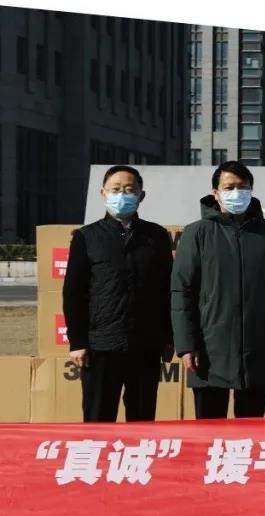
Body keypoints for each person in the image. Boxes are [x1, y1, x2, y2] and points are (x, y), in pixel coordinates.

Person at [171, 161, 265, 419]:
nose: (236, 193)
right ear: (215, 193)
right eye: (229, 187)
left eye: (243, 187)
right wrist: (186, 345)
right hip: (209, 348)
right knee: (209, 430)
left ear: (251, 190)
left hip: (257, 344)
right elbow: (182, 292)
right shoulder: (197, 233)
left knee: (251, 430)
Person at [62, 165, 174, 422]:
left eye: (129, 190)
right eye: (115, 189)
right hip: (100, 346)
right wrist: (77, 342)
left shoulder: (156, 236)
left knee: (142, 419)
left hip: (145, 344)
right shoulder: (86, 237)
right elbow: (74, 293)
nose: (122, 195)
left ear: (141, 196)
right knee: (98, 420)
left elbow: (167, 290)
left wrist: (168, 338)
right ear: (103, 194)